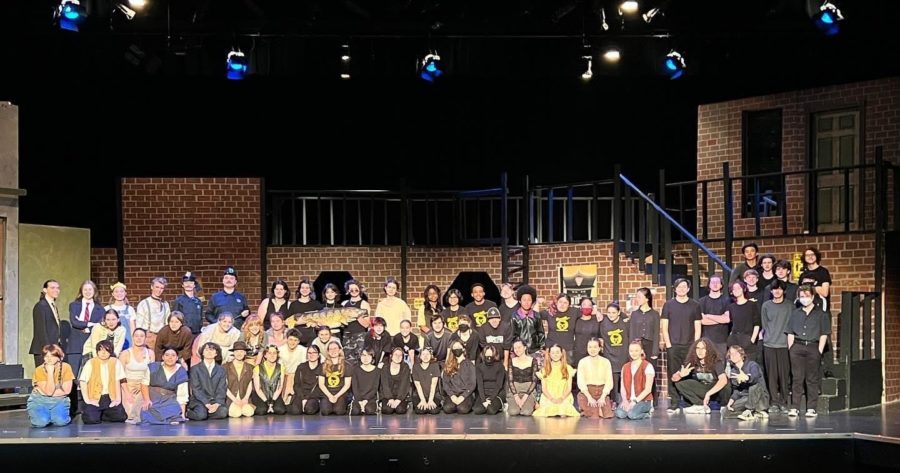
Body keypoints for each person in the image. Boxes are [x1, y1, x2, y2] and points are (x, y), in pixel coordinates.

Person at [787, 285, 831, 418]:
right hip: (797, 347)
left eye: (807, 296)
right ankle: (794, 407)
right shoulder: (795, 313)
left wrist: (819, 350)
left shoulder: (821, 314)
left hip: (813, 347)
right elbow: (790, 332)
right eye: (802, 296)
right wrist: (791, 348)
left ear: (812, 296)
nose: (804, 299)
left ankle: (811, 408)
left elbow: (824, 334)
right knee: (797, 378)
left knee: (812, 379)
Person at [670, 338, 730, 414]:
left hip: (715, 389)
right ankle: (700, 405)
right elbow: (673, 378)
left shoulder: (716, 361)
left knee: (726, 384)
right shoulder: (692, 361)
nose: (700, 351)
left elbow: (723, 380)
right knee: (679, 383)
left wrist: (709, 394)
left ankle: (724, 406)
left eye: (703, 348)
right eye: (697, 348)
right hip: (702, 388)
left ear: (708, 350)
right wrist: (680, 375)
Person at [761, 280, 793, 414]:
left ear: (783, 291)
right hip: (769, 344)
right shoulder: (766, 306)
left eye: (780, 289)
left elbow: (792, 325)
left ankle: (784, 402)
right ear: (771, 291)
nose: (777, 291)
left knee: (784, 376)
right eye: (774, 289)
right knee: (772, 376)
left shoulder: (790, 306)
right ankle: (774, 402)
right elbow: (764, 324)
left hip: (784, 345)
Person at [79, 340, 127, 424]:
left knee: (120, 416)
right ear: (97, 351)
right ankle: (96, 413)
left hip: (109, 396)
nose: (103, 353)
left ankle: (103, 413)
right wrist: (87, 400)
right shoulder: (90, 362)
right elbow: (83, 381)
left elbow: (117, 381)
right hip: (94, 396)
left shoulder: (115, 362)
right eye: (100, 350)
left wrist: (118, 399)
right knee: (91, 420)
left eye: (106, 350)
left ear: (110, 351)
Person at [28, 344, 75, 428]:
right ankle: (40, 415)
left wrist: (43, 391)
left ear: (59, 357)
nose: (49, 359)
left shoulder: (66, 367)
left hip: (59, 400)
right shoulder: (39, 370)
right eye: (46, 356)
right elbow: (49, 392)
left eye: (52, 356)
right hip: (40, 400)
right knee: (41, 423)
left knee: (60, 421)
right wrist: (50, 372)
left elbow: (66, 391)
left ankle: (53, 414)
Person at [141, 348, 190, 425]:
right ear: (163, 357)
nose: (170, 358)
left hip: (169, 398)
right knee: (148, 412)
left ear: (177, 358)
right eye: (167, 355)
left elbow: (182, 395)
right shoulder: (153, 367)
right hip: (153, 396)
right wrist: (146, 399)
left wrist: (182, 414)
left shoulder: (181, 371)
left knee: (175, 414)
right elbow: (144, 384)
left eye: (173, 355)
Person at [628, 287, 660, 403]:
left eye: (640, 297)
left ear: (647, 299)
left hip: (650, 345)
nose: (637, 299)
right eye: (637, 297)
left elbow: (656, 333)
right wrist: (631, 349)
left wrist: (655, 352)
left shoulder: (655, 314)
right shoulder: (635, 314)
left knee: (650, 372)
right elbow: (631, 331)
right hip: (637, 346)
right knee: (638, 372)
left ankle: (652, 400)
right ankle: (637, 397)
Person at [533, 345, 580, 417]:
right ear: (549, 354)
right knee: (547, 413)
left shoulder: (568, 368)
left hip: (563, 395)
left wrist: (562, 398)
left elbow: (569, 388)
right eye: (553, 353)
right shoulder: (545, 369)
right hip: (549, 396)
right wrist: (551, 399)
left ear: (561, 354)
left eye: (557, 352)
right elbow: (544, 389)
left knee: (563, 412)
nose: (555, 355)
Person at [724, 345, 769, 420]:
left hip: (759, 397)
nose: (733, 355)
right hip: (746, 398)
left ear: (741, 355)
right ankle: (754, 413)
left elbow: (755, 378)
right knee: (726, 412)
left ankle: (750, 410)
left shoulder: (752, 365)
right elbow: (737, 391)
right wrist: (730, 402)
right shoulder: (734, 372)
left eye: (736, 353)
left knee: (754, 385)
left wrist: (747, 378)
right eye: (731, 354)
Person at [119, 328, 154, 424]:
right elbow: (120, 375)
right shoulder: (125, 354)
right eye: (136, 336)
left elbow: (152, 373)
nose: (139, 338)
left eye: (141, 336)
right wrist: (127, 393)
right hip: (127, 385)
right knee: (129, 413)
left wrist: (143, 387)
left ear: (145, 338)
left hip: (144, 385)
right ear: (133, 337)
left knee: (140, 412)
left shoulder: (150, 353)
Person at [187, 342, 228, 421]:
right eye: (206, 350)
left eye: (212, 350)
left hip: (214, 400)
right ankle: (190, 413)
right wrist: (207, 403)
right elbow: (196, 389)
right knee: (200, 415)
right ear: (202, 353)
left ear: (216, 353)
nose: (209, 352)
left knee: (223, 412)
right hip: (199, 400)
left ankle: (207, 413)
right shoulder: (195, 369)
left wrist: (217, 404)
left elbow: (222, 388)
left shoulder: (221, 370)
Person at [615, 341, 655, 420]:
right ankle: (632, 409)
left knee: (632, 415)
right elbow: (622, 387)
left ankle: (647, 413)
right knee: (620, 414)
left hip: (643, 400)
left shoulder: (648, 366)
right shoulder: (625, 367)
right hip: (629, 399)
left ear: (641, 351)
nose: (634, 353)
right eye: (631, 351)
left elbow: (648, 390)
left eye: (636, 350)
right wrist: (625, 401)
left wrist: (635, 402)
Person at [576, 339, 614, 419]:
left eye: (595, 347)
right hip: (588, 392)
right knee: (595, 416)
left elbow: (609, 381)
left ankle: (597, 408)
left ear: (599, 348)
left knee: (607, 415)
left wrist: (603, 397)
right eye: (590, 347)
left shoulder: (606, 362)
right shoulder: (582, 362)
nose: (592, 349)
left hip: (602, 392)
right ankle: (587, 409)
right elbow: (581, 382)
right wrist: (589, 397)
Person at [600, 302, 629, 404]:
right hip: (610, 356)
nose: (611, 315)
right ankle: (613, 402)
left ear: (618, 313)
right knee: (612, 381)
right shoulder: (604, 323)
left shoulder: (625, 322)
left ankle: (625, 401)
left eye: (613, 312)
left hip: (623, 355)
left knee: (625, 381)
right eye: (609, 312)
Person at [30, 280, 63, 369]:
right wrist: (48, 350)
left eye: (57, 288)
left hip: (53, 348)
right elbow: (41, 330)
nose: (56, 290)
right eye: (52, 288)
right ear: (45, 290)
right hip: (44, 349)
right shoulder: (41, 306)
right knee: (43, 378)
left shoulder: (52, 305)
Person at [134, 277, 170, 352]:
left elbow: (168, 322)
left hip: (162, 338)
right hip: (148, 337)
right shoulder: (144, 303)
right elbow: (139, 325)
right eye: (157, 287)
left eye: (161, 288)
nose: (159, 290)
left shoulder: (165, 304)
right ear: (152, 287)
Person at [699, 275, 730, 357]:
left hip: (722, 341)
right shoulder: (702, 301)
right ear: (709, 285)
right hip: (706, 340)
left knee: (720, 366)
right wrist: (720, 318)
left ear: (721, 285)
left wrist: (708, 316)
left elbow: (727, 319)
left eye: (717, 282)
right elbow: (702, 321)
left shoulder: (726, 300)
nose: (715, 284)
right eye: (713, 282)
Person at [442, 340, 476, 414]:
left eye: (458, 347)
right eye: (455, 347)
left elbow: (473, 383)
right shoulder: (448, 365)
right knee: (447, 409)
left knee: (462, 409)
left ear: (463, 349)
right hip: (453, 394)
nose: (457, 349)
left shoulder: (470, 365)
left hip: (466, 394)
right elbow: (445, 383)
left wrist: (463, 396)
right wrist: (452, 396)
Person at [252, 345, 287, 415]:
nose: (272, 355)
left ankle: (272, 406)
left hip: (274, 395)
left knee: (280, 410)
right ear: (265, 355)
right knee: (261, 411)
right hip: (261, 395)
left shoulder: (281, 367)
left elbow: (280, 387)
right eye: (269, 353)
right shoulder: (257, 368)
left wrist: (273, 402)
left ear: (277, 355)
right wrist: (267, 402)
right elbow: (258, 389)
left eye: (274, 353)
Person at [507, 340, 539, 416]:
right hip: (515, 389)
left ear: (525, 347)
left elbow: (534, 380)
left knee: (526, 412)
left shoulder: (533, 361)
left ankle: (533, 403)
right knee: (513, 412)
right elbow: (510, 380)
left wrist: (525, 397)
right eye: (515, 348)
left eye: (519, 347)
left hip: (528, 390)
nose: (517, 350)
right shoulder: (512, 361)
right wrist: (516, 397)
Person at [319, 341, 351, 416]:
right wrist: (330, 396)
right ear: (328, 352)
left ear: (340, 350)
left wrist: (336, 396)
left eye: (335, 348)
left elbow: (347, 385)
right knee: (325, 411)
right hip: (327, 394)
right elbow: (321, 384)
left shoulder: (347, 365)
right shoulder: (323, 365)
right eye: (331, 349)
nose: (333, 351)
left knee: (339, 411)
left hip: (341, 394)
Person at [287, 345, 322, 415]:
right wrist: (303, 398)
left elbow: (320, 387)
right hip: (301, 395)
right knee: (295, 411)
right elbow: (296, 385)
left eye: (314, 353)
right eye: (309, 353)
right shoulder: (301, 367)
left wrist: (308, 398)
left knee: (309, 410)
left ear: (318, 355)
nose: (311, 355)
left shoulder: (322, 368)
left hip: (314, 396)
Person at [224, 341, 255, 418]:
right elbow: (224, 386)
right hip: (231, 398)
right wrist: (235, 400)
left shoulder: (250, 367)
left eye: (241, 351)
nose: (239, 353)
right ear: (233, 353)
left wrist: (245, 398)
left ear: (245, 353)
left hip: (244, 398)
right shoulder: (225, 367)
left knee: (249, 412)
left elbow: (250, 384)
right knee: (236, 414)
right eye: (237, 351)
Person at [473, 345, 506, 415]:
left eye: (491, 354)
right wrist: (484, 400)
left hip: (497, 393)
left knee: (491, 410)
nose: (489, 356)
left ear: (494, 354)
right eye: (487, 354)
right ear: (483, 355)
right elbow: (480, 385)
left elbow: (499, 385)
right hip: (484, 393)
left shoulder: (500, 366)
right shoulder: (479, 367)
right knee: (477, 410)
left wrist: (490, 399)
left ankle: (500, 405)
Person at [798, 247, 833, 312]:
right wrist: (817, 288)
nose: (810, 257)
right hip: (806, 310)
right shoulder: (803, 275)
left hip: (820, 309)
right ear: (804, 258)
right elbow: (800, 292)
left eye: (812, 254)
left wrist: (809, 288)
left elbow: (825, 292)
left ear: (816, 256)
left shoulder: (823, 271)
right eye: (807, 255)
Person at [412, 347, 442, 415]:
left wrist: (430, 400)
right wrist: (423, 400)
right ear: (420, 356)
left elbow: (433, 385)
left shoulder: (435, 366)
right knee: (420, 411)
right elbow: (418, 385)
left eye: (427, 354)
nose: (425, 356)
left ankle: (438, 404)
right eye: (423, 354)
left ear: (431, 356)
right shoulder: (415, 367)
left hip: (433, 395)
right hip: (419, 395)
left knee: (433, 411)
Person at [350, 349, 380, 416]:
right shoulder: (355, 370)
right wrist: (360, 401)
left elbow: (375, 388)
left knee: (369, 410)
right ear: (360, 357)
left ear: (372, 357)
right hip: (358, 398)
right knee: (356, 411)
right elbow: (354, 387)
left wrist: (366, 400)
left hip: (370, 398)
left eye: (368, 355)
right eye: (363, 355)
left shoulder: (377, 371)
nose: (365, 358)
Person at [106, 282, 135, 349]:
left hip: (127, 341)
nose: (119, 294)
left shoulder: (130, 309)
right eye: (116, 292)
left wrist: (134, 343)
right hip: (112, 341)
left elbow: (132, 329)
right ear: (112, 294)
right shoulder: (107, 309)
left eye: (121, 291)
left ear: (125, 293)